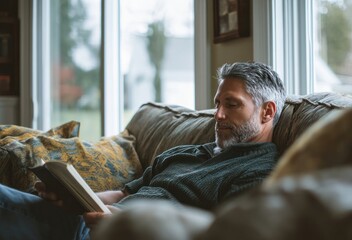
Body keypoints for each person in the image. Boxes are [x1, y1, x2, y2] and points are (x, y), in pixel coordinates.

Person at [0, 62, 287, 239]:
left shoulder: (259, 173)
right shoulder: (187, 153)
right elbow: (123, 193)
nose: (218, 115)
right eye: (217, 104)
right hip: (89, 224)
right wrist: (74, 198)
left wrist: (124, 226)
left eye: (232, 104)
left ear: (266, 112)